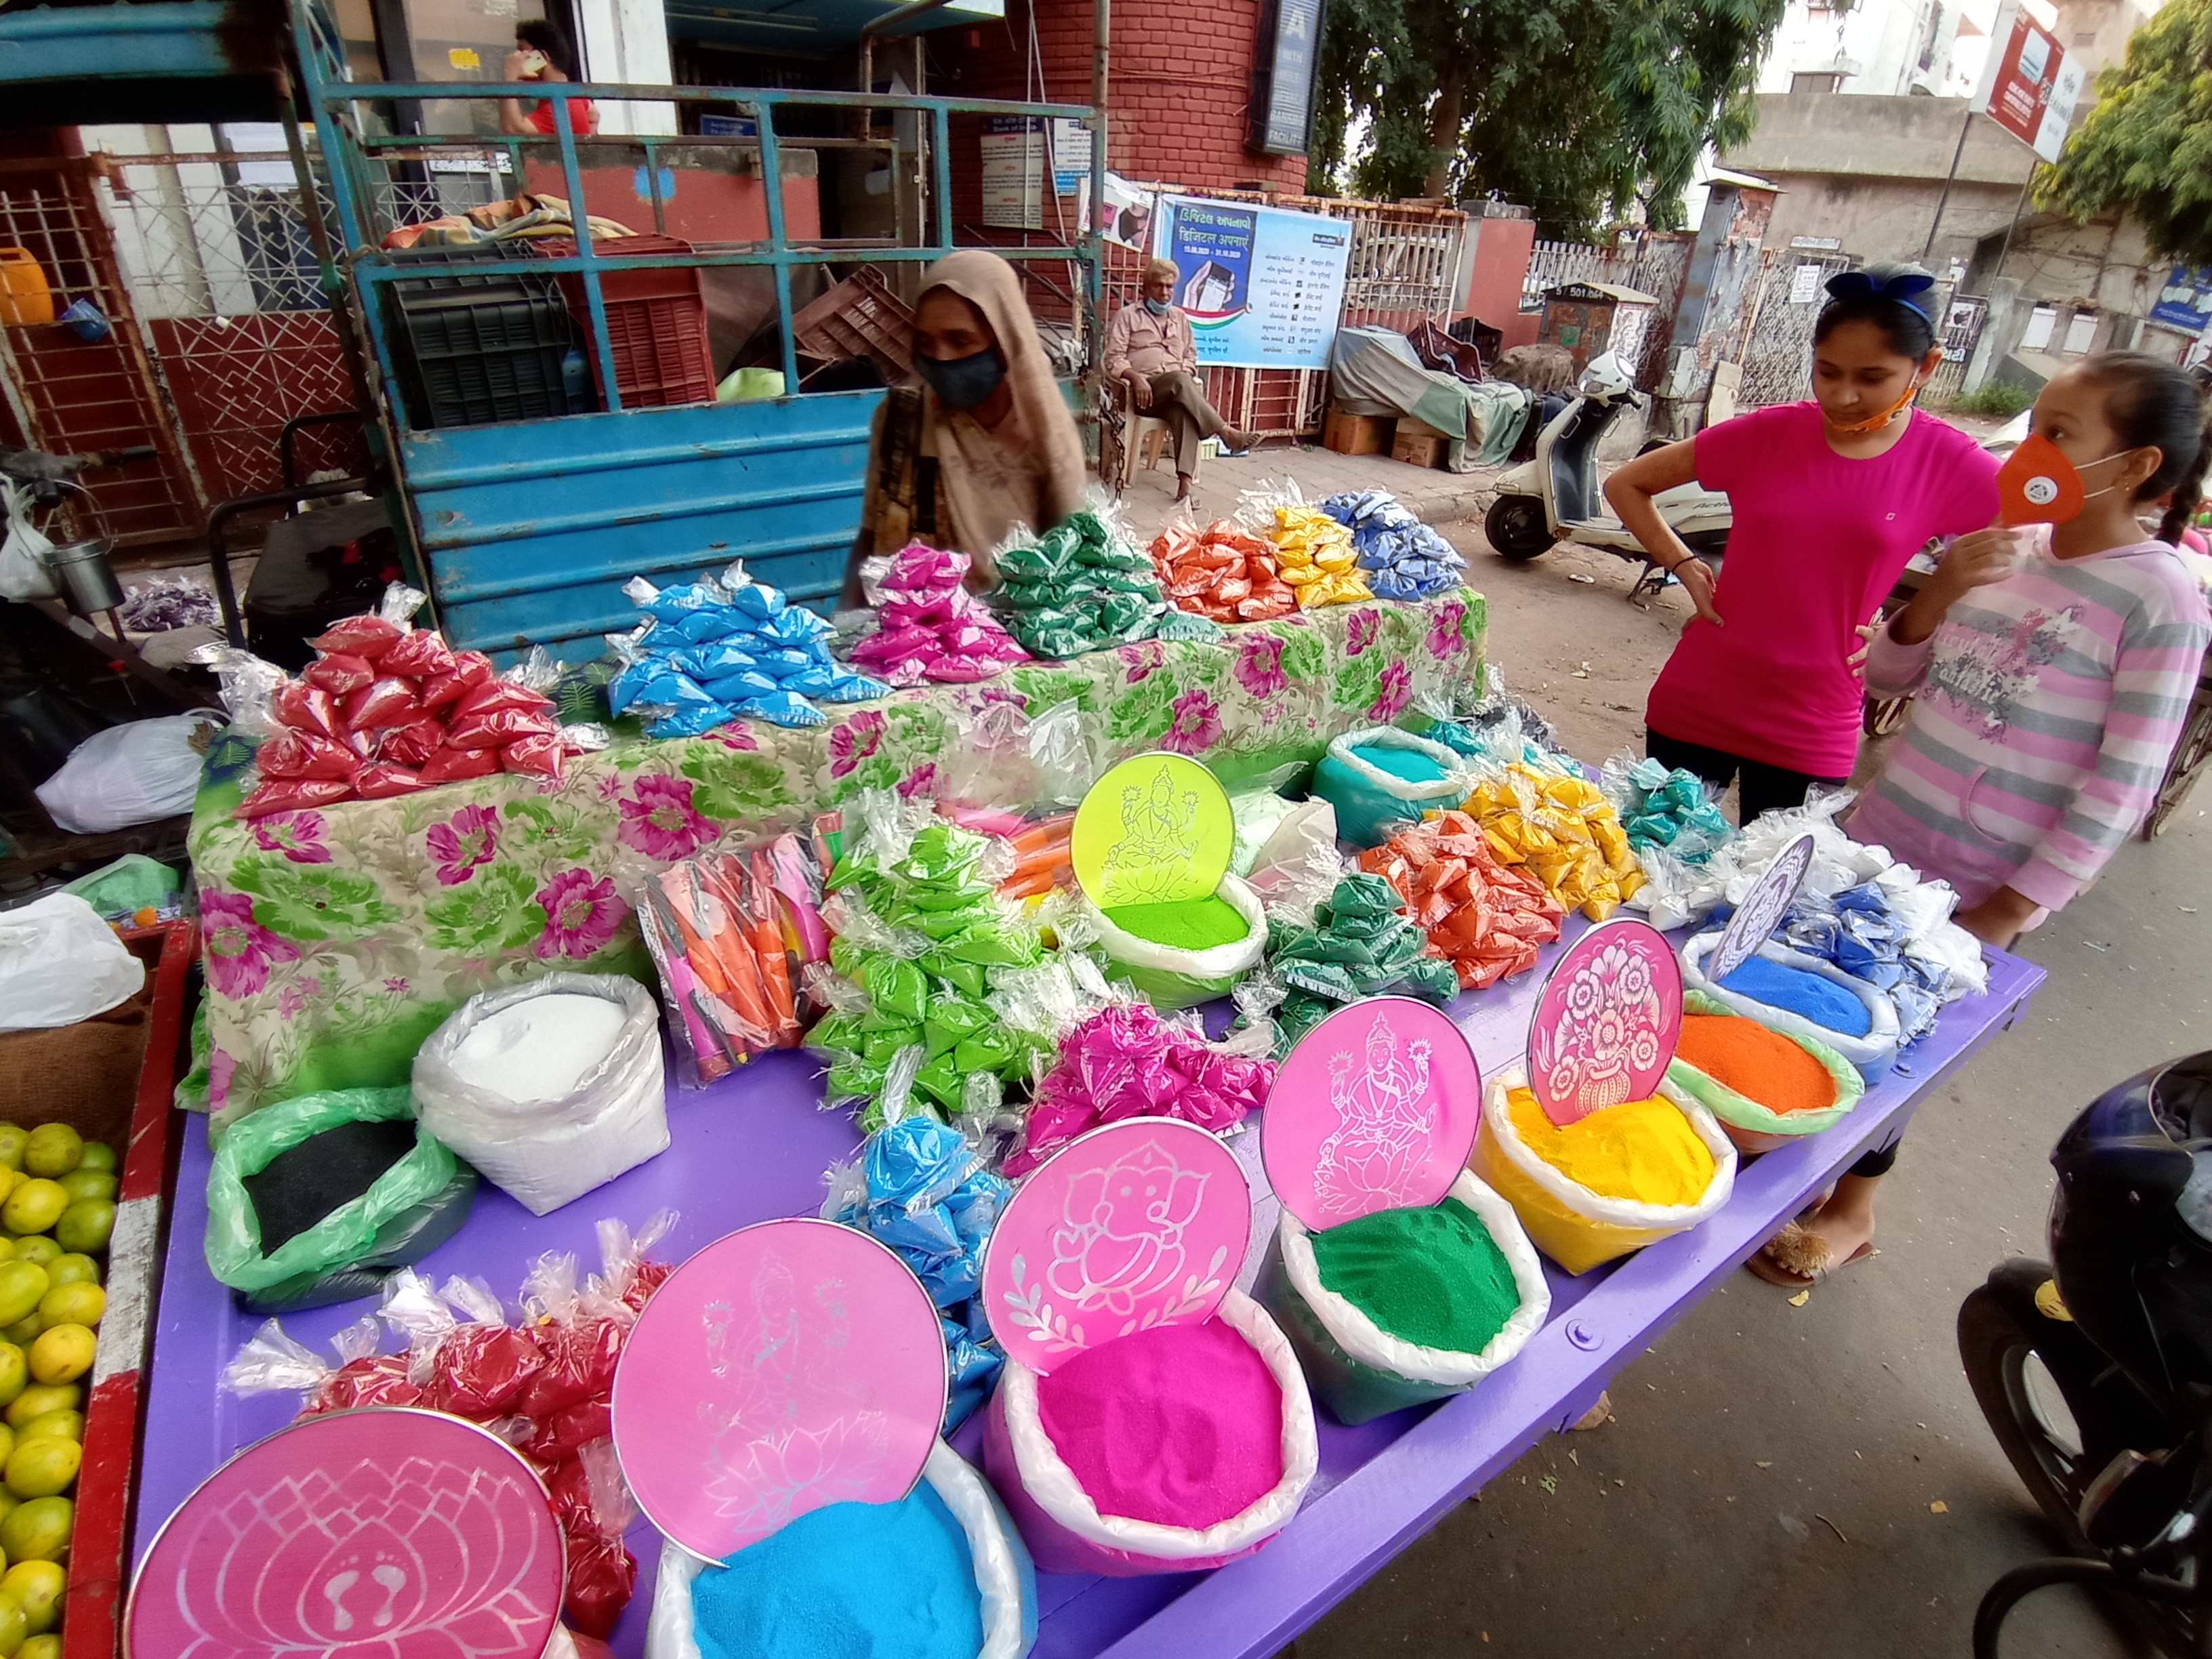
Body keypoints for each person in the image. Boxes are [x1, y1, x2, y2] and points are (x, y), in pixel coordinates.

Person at [1755, 353, 2212, 1287]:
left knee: (1902, 1045)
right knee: (1829, 1014)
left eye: (2062, 432)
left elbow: (2123, 782)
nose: (2032, 447)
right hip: (1883, 838)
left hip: (1983, 878)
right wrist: (1939, 592)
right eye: (2035, 421)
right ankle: (1804, 1168)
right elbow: (1885, 680)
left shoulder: (2161, 598)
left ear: (2131, 468)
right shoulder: (2004, 548)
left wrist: (2013, 908)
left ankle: (1852, 1210)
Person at [1604, 265, 2003, 823]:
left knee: (1768, 892)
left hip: (1816, 721)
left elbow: (2036, 557)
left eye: (1872, 377)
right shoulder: (1767, 433)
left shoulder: (1953, 464)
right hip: (1700, 696)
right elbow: (1627, 484)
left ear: (1926, 367)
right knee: (1654, 867)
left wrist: (1912, 631)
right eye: (1827, 371)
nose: (1843, 396)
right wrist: (1683, 562)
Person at [842, 249, 1086, 605]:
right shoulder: (903, 418)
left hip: (1017, 638)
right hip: (911, 635)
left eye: (961, 341)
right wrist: (847, 624)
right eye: (926, 342)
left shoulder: (1044, 435)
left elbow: (1073, 561)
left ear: (1003, 341)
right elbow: (872, 535)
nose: (940, 357)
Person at [1103, 258, 1256, 503]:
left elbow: (1190, 357)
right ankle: (1225, 431)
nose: (1164, 292)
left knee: (1184, 410)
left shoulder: (1180, 318)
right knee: (1179, 379)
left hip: (1174, 392)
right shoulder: (1128, 316)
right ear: (1146, 287)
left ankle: (1185, 487)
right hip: (1138, 394)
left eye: (1169, 286)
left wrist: (1185, 372)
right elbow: (1113, 359)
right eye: (1158, 286)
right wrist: (1135, 378)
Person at [500, 20, 598, 138]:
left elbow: (513, 129)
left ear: (542, 57)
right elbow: (594, 116)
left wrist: (510, 76)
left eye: (522, 50)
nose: (517, 57)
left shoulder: (558, 106)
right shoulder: (574, 96)